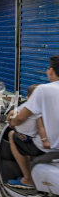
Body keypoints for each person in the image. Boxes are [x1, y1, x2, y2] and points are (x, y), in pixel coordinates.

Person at [7, 55, 59, 189]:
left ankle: (28, 179)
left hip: (48, 147)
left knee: (12, 136)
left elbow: (20, 118)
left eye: (48, 69)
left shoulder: (43, 89)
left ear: (51, 71)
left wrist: (12, 121)